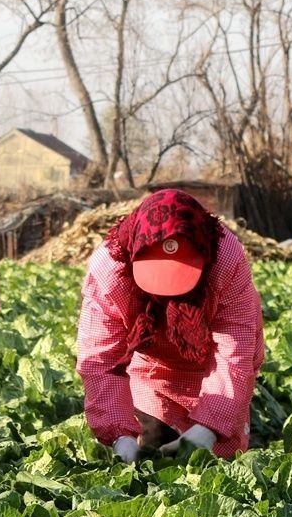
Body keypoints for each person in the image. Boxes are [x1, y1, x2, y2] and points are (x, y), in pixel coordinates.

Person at [76, 190, 265, 462]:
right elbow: (101, 359)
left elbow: (234, 354)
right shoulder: (111, 268)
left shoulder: (224, 259)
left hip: (214, 372)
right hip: (152, 373)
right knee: (149, 460)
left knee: (217, 466)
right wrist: (119, 435)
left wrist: (209, 429)